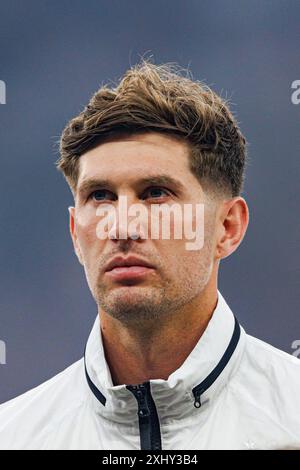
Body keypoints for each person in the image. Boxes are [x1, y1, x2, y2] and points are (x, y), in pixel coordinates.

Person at [0, 60, 299, 450]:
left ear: (227, 227)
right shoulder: (14, 437)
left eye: (156, 193)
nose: (121, 227)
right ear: (76, 234)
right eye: (100, 196)